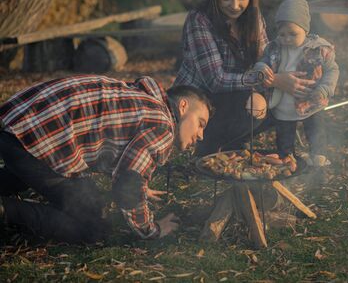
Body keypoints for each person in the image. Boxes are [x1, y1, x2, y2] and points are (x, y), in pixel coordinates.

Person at [0, 75, 212, 243]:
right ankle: (6, 211)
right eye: (201, 123)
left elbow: (113, 145)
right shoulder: (162, 126)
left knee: (34, 168)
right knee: (94, 225)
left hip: (15, 126)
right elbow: (128, 183)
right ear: (183, 106)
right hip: (35, 141)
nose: (201, 135)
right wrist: (151, 230)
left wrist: (141, 185)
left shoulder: (143, 99)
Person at [173, 0, 275, 156]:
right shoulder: (199, 19)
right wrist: (262, 78)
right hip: (200, 100)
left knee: (283, 103)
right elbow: (216, 80)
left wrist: (297, 77)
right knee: (256, 103)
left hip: (234, 93)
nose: (235, 6)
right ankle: (207, 147)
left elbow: (267, 61)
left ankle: (233, 143)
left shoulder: (254, 18)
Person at [255, 0, 339, 166]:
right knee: (284, 133)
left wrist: (324, 89)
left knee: (315, 128)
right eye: (282, 34)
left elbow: (333, 70)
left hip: (311, 99)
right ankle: (287, 158)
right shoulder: (274, 48)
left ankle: (318, 155)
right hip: (283, 102)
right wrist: (261, 67)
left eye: (293, 34)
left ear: (305, 30)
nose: (286, 39)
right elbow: (263, 61)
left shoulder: (319, 49)